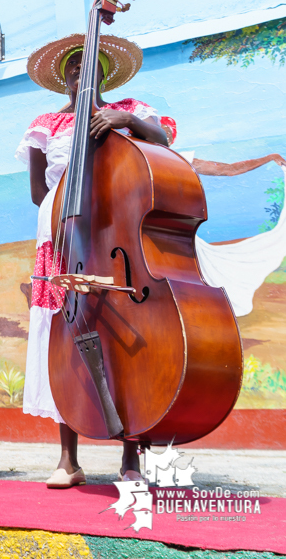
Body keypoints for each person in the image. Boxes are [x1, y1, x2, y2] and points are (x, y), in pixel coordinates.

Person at [17, 34, 168, 489]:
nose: (80, 74)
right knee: (64, 336)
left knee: (124, 337)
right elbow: (38, 191)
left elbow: (161, 144)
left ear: (103, 74)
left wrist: (124, 120)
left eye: (89, 67)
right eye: (72, 69)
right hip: (62, 236)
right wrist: (65, 218)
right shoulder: (45, 124)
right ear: (63, 79)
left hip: (114, 233)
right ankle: (68, 458)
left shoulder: (128, 109)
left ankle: (131, 458)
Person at [159, 117, 286, 317]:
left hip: (175, 231)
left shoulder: (182, 159)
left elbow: (229, 169)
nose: (161, 136)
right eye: (157, 130)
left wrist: (268, 157)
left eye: (166, 133)